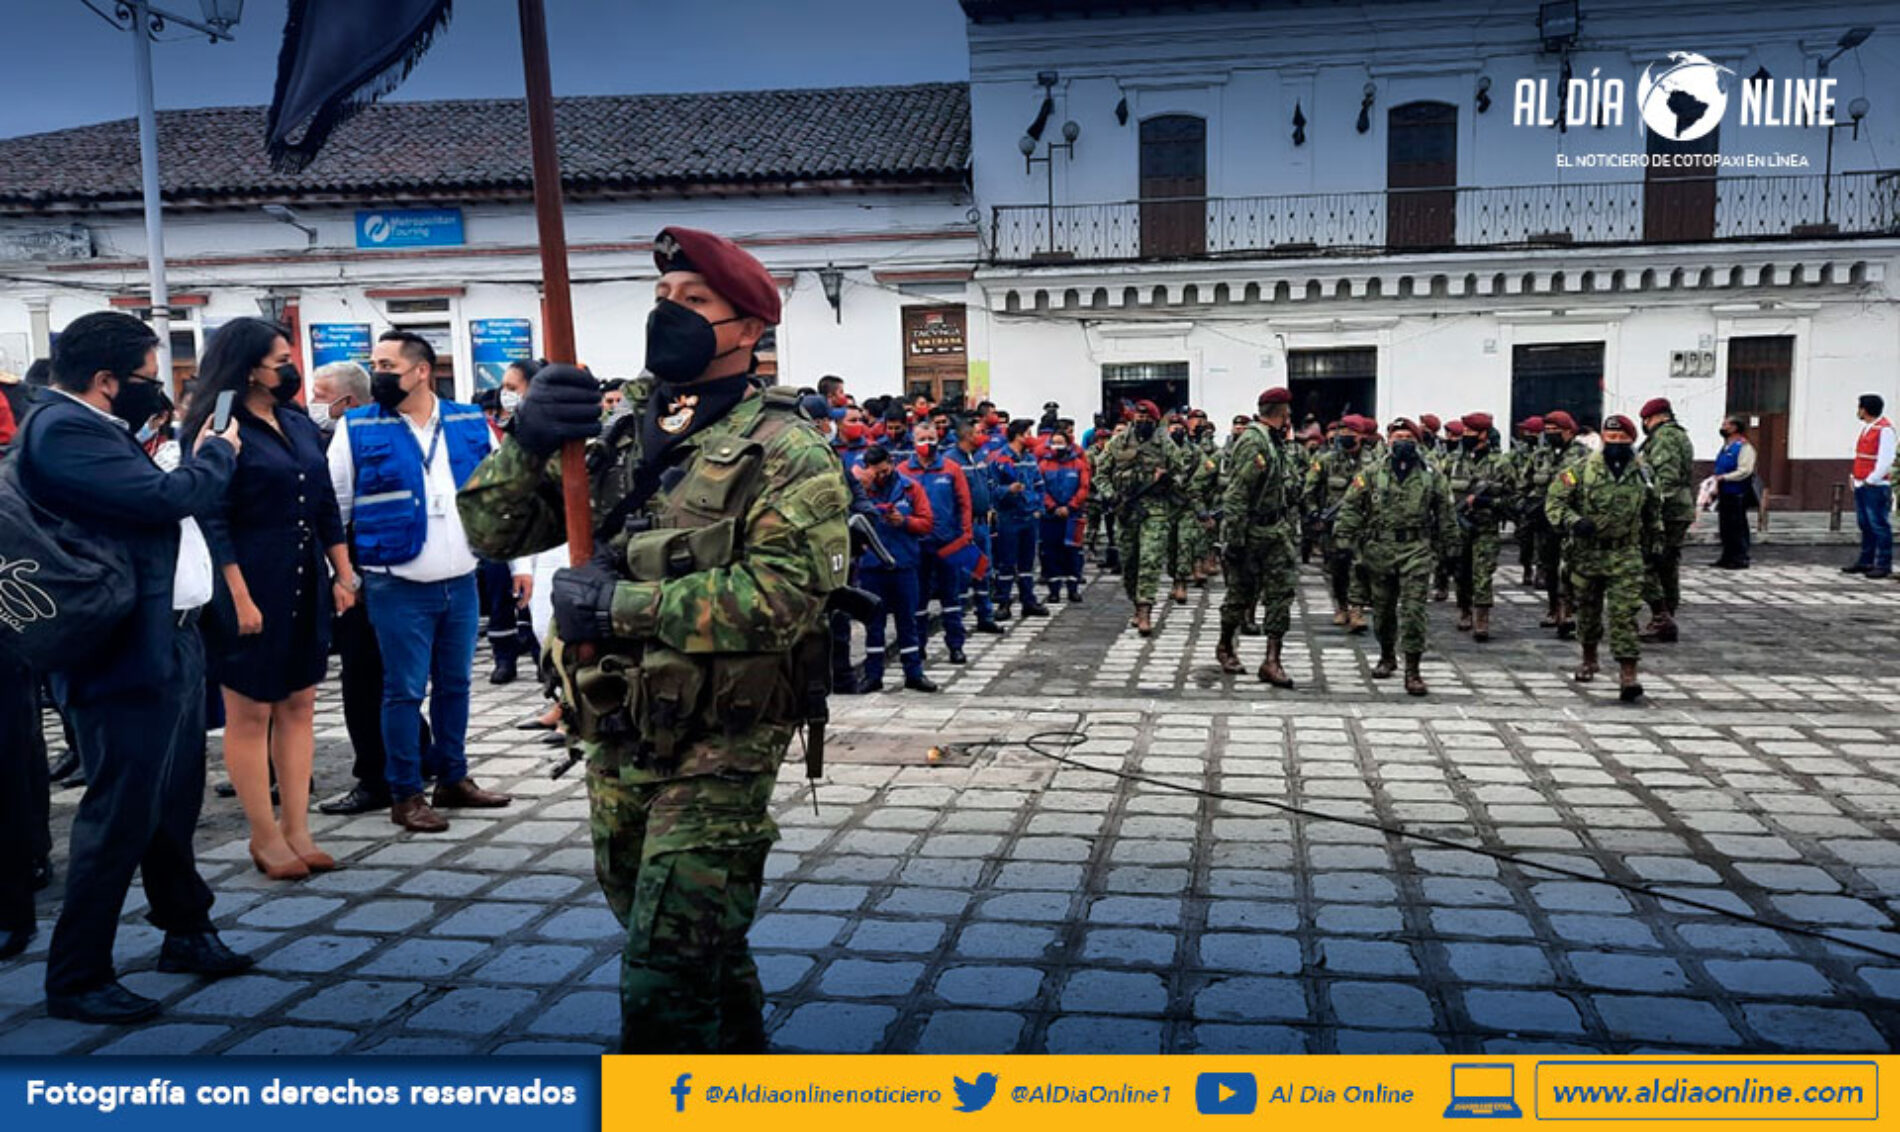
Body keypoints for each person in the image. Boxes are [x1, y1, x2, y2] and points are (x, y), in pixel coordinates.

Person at [458, 225, 849, 1054]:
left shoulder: (789, 449)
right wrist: (524, 443)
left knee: (662, 971)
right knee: (685, 937)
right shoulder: (619, 430)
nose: (669, 311)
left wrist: (621, 606)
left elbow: (782, 599)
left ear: (747, 329)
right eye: (663, 297)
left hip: (724, 741)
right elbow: (494, 533)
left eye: (695, 301)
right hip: (617, 727)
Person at [22, 311, 253, 1023]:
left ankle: (186, 929)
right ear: (105, 381)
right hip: (118, 650)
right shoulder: (63, 430)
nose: (157, 390)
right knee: (120, 812)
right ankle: (77, 975)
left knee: (171, 800)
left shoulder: (98, 428)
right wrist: (215, 453)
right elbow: (164, 499)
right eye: (150, 378)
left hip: (165, 638)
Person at [184, 317, 354, 879]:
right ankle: (263, 836)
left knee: (300, 703)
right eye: (279, 359)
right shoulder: (220, 427)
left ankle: (298, 829)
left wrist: (343, 572)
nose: (289, 367)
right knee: (251, 710)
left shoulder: (297, 421)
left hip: (303, 575)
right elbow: (212, 515)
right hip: (247, 576)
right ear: (248, 366)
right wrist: (237, 594)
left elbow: (325, 500)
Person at [327, 330, 513, 833]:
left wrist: (512, 562)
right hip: (396, 582)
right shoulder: (358, 427)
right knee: (403, 691)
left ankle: (453, 776)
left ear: (422, 370)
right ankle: (405, 793)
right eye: (376, 365)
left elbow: (499, 496)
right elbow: (334, 507)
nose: (379, 373)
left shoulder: (470, 421)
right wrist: (341, 575)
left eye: (388, 365)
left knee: (455, 685)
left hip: (461, 580)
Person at [1335, 418, 1458, 696]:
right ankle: (1387, 654)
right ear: (1388, 441)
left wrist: (1451, 547)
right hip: (1380, 550)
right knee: (1383, 610)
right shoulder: (1372, 472)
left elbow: (1446, 512)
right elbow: (1352, 506)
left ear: (1416, 441)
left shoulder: (1431, 474)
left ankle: (1413, 670)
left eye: (1407, 436)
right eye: (1397, 435)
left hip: (1415, 549)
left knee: (1413, 610)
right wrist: (1343, 538)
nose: (1402, 440)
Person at [1547, 414, 1661, 701]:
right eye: (1611, 439)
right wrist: (1573, 521)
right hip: (1589, 552)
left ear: (1631, 440)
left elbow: (1653, 511)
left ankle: (1628, 673)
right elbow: (1555, 500)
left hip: (1626, 552)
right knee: (1588, 609)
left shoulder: (1643, 473)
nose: (1616, 443)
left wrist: (1655, 546)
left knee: (1625, 613)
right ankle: (1588, 658)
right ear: (1602, 438)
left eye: (1622, 439)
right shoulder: (1581, 469)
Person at [1217, 387, 1301, 684]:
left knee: (1281, 593)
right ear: (1282, 412)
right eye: (1288, 411)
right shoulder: (1254, 442)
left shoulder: (1276, 442)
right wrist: (1235, 540)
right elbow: (1237, 494)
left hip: (1276, 530)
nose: (1290, 417)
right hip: (1251, 531)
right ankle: (1225, 645)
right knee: (1240, 594)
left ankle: (1272, 659)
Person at [853, 444, 937, 692]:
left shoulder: (910, 488)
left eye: (883, 471)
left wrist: (905, 521)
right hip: (872, 567)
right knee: (873, 624)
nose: (880, 476)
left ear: (890, 463)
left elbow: (927, 523)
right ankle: (872, 675)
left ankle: (913, 673)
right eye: (875, 472)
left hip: (904, 565)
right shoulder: (860, 492)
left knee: (907, 622)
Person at [902, 418, 975, 665]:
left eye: (931, 438)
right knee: (917, 599)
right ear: (913, 442)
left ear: (939, 439)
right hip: (917, 545)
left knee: (951, 598)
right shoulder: (903, 471)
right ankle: (918, 646)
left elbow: (965, 504)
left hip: (949, 542)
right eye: (922, 439)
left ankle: (956, 646)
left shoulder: (951, 469)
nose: (927, 443)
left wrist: (965, 534)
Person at [1104, 400, 1177, 636]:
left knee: (1150, 558)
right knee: (1130, 562)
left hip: (1154, 508)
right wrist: (1111, 495)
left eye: (1147, 419)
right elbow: (1100, 473)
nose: (1142, 422)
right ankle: (1136, 604)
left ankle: (1146, 609)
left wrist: (1168, 479)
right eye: (1139, 418)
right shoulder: (1119, 442)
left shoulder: (1164, 443)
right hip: (1126, 508)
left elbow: (1182, 471)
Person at [1445, 412, 1511, 642]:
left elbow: (1515, 498)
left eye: (1471, 432)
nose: (1466, 436)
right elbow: (1441, 491)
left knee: (1482, 573)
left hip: (1485, 527)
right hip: (1459, 528)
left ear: (1484, 434)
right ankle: (1464, 610)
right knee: (1461, 573)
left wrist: (1488, 502)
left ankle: (1481, 618)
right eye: (1464, 432)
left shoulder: (1501, 463)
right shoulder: (1453, 462)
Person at [1636, 397, 1695, 642]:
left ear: (1659, 417)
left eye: (1646, 420)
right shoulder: (1677, 435)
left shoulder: (1665, 437)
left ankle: (1662, 617)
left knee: (1650, 562)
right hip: (1677, 509)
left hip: (1667, 511)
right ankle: (1665, 617)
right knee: (1667, 565)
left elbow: (1665, 478)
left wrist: (1653, 509)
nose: (1645, 425)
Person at [1304, 417, 1365, 631]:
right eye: (1343, 431)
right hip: (1334, 526)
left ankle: (1357, 609)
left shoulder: (1373, 462)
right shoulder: (1326, 461)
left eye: (1351, 432)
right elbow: (1309, 490)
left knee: (1360, 567)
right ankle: (1341, 606)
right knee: (1338, 568)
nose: (1345, 436)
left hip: (1362, 525)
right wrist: (1314, 514)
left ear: (1361, 435)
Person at [989, 419, 1049, 620]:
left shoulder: (1030, 458)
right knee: (1007, 562)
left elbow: (1039, 484)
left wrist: (1039, 507)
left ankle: (1028, 601)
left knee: (1027, 563)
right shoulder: (1000, 459)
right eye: (1027, 433)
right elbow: (992, 489)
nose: (1030, 437)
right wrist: (1008, 490)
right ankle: (1004, 602)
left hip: (1029, 516)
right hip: (1009, 517)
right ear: (1018, 435)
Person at [948, 420, 1004, 633]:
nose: (983, 437)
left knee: (983, 571)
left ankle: (985, 615)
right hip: (963, 526)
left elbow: (988, 485)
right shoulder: (951, 461)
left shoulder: (980, 457)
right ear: (968, 436)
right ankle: (958, 620)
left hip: (982, 524)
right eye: (979, 433)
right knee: (962, 574)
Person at [1037, 429, 1090, 603]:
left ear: (1068, 444)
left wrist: (1071, 505)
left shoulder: (1078, 464)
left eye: (1061, 442)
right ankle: (1054, 591)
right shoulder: (1044, 465)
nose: (1057, 446)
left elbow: (1084, 487)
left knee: (1073, 552)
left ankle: (1073, 589)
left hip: (1073, 516)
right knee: (1051, 553)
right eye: (1054, 442)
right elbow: (1040, 487)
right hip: (1050, 516)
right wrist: (1052, 506)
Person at [1846, 393, 1895, 579]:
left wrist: (1871, 479)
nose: (1858, 411)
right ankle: (1866, 560)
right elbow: (1862, 455)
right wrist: (1855, 476)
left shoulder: (1884, 430)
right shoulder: (1869, 428)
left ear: (1864, 410)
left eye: (1859, 407)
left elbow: (1886, 460)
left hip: (1875, 485)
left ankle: (1883, 563)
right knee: (1865, 524)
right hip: (1861, 482)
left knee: (1879, 524)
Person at [1711, 417, 1757, 570]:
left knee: (1737, 526)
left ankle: (1740, 557)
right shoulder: (1725, 447)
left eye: (1726, 425)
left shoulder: (1744, 447)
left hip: (1738, 492)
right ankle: (1727, 556)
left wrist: (1725, 477)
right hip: (1724, 492)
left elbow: (1745, 470)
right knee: (1726, 527)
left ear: (1735, 427)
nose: (1723, 427)